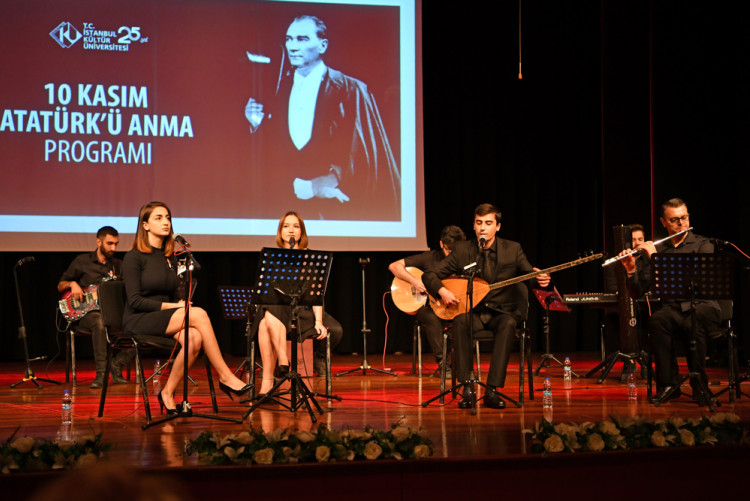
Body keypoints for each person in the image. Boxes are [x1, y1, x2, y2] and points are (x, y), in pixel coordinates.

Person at [244, 14, 400, 220]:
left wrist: (319, 185)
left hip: (335, 212)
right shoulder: (277, 89)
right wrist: (256, 125)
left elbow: (361, 153)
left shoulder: (351, 89)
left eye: (302, 39)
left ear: (323, 45)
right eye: (289, 39)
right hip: (283, 210)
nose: (292, 46)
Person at [122, 202, 251, 414]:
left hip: (164, 317)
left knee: (194, 339)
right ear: (145, 225)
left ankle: (167, 392)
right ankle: (226, 376)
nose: (166, 222)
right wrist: (175, 306)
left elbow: (173, 295)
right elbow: (135, 301)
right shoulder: (133, 258)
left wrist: (179, 304)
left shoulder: (169, 258)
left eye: (168, 217)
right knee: (199, 314)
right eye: (158, 218)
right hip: (139, 318)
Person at [422, 204, 550, 409]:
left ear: (497, 226)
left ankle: (492, 390)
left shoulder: (513, 249)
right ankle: (467, 388)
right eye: (479, 223)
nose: (483, 228)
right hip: (473, 313)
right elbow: (429, 275)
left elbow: (528, 276)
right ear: (473, 226)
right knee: (460, 321)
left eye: (488, 223)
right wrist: (442, 291)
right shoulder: (463, 250)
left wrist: (539, 278)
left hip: (502, 312)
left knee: (509, 324)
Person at [619, 198, 720, 405]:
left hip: (702, 305)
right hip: (673, 308)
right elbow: (637, 292)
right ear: (664, 222)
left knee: (694, 320)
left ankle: (700, 387)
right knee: (658, 320)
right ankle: (668, 385)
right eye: (674, 220)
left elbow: (696, 281)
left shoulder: (703, 244)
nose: (681, 223)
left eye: (684, 218)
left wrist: (657, 260)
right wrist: (630, 270)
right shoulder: (658, 249)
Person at [253, 211, 343, 395]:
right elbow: (266, 293)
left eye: (296, 226)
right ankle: (280, 367)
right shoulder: (273, 258)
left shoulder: (310, 259)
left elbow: (316, 295)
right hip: (279, 309)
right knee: (267, 315)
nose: (291, 230)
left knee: (336, 330)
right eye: (286, 226)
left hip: (303, 311)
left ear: (301, 232)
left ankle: (272, 377)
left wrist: (318, 321)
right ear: (280, 232)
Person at [58, 226, 134, 388]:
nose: (113, 248)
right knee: (99, 322)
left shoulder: (118, 266)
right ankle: (101, 374)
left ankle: (117, 364)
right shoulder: (82, 261)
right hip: (86, 315)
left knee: (140, 324)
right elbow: (60, 285)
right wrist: (72, 284)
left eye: (116, 244)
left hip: (112, 314)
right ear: (98, 241)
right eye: (109, 243)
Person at [388, 225, 466, 374]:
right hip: (430, 307)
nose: (451, 254)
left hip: (454, 308)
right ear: (441, 244)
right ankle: (443, 363)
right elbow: (394, 266)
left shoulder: (462, 260)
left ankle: (460, 364)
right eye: (448, 249)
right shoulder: (429, 257)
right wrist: (414, 281)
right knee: (431, 317)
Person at [603, 223, 647, 381]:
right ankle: (628, 361)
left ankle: (647, 362)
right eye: (633, 239)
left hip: (643, 308)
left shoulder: (648, 261)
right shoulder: (614, 263)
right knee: (614, 320)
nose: (636, 243)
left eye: (640, 239)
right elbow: (613, 289)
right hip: (620, 310)